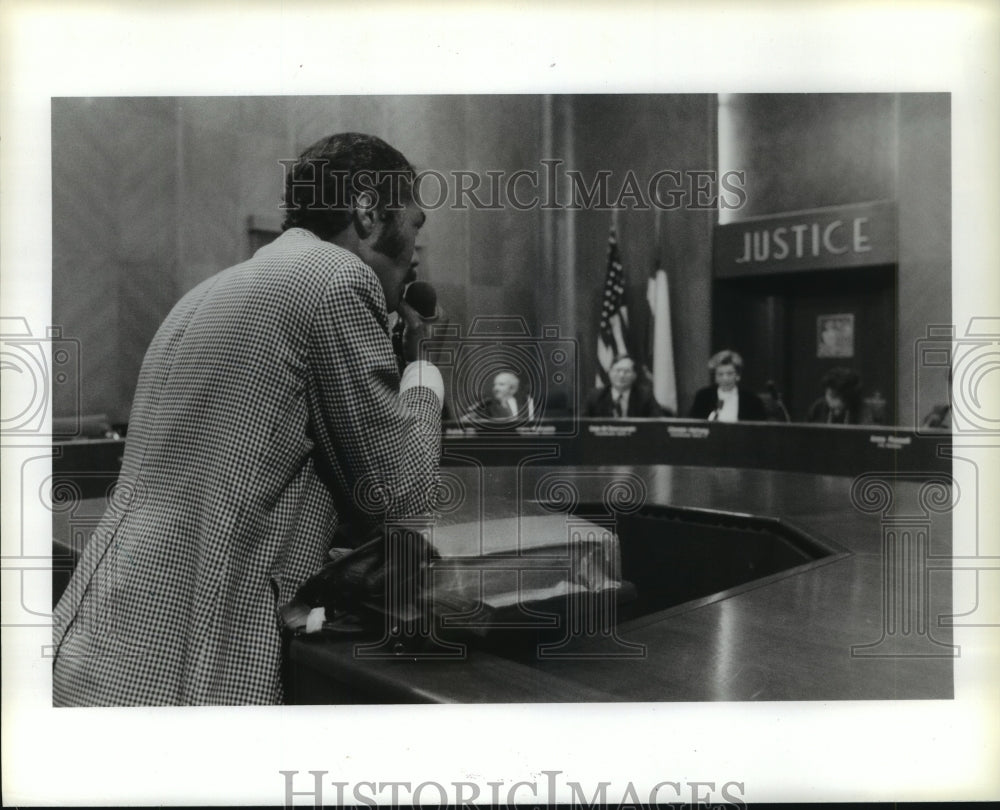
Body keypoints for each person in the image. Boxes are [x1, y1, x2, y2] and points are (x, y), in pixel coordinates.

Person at [52, 132, 444, 706]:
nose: (415, 251)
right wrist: (424, 363)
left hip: (101, 648)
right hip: (189, 672)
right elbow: (402, 497)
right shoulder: (336, 279)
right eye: (414, 224)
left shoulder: (210, 290)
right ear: (367, 210)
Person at [689, 349, 767, 422]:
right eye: (720, 374)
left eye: (729, 373)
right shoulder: (703, 397)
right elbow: (694, 425)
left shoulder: (751, 400)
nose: (725, 378)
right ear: (715, 377)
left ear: (738, 375)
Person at [584, 354, 663, 418]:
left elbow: (656, 424)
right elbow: (582, 425)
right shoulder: (595, 396)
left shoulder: (645, 396)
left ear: (634, 375)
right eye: (617, 371)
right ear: (609, 373)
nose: (621, 375)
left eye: (627, 371)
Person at [806, 366, 874, 425]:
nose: (829, 399)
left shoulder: (862, 410)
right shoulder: (818, 407)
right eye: (828, 394)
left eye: (835, 396)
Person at [462, 371, 535, 423]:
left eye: (501, 384)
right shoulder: (488, 405)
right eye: (495, 385)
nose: (495, 388)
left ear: (513, 388)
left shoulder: (526, 403)